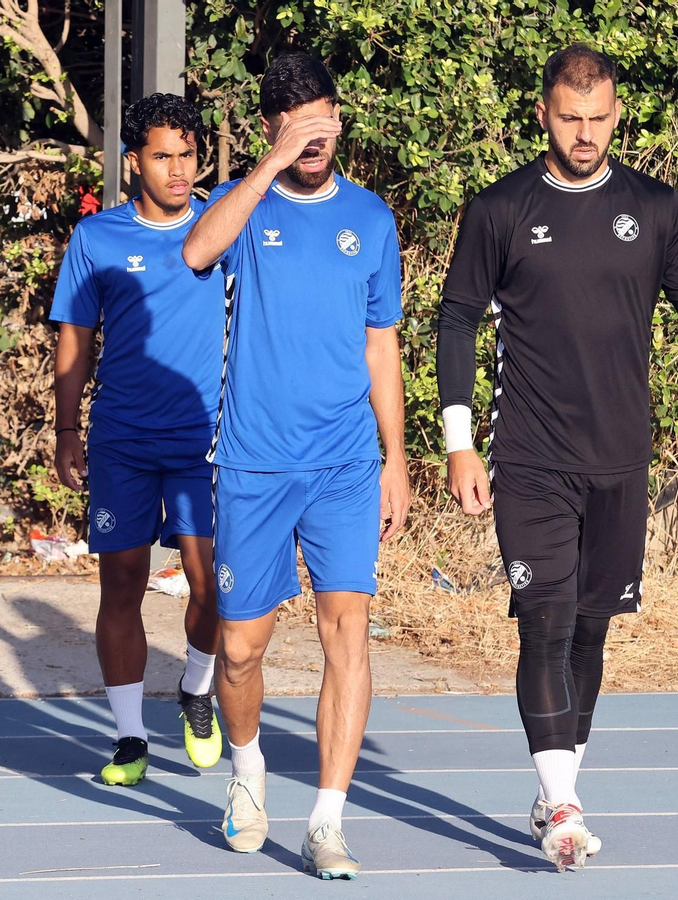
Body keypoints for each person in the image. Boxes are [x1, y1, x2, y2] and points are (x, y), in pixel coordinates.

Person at [436, 45, 678, 871]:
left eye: (598, 119)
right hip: (530, 459)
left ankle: (557, 784)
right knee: (543, 623)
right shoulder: (501, 208)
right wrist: (458, 443)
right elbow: (457, 320)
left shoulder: (655, 208)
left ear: (617, 115)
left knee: (590, 633)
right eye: (569, 118)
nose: (584, 134)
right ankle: (565, 808)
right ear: (543, 115)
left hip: (621, 460)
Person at [181, 51, 411, 881]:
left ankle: (327, 820)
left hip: (347, 461)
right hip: (255, 463)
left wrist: (397, 457)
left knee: (346, 632)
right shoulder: (244, 209)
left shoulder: (371, 220)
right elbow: (197, 252)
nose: (316, 134)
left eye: (326, 116)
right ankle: (247, 777)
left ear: (340, 118)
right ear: (275, 127)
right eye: (298, 121)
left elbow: (380, 345)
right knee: (241, 648)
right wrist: (269, 164)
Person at [50, 93, 226, 787]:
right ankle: (129, 739)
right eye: (163, 156)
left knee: (212, 586)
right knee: (120, 585)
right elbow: (74, 338)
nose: (178, 169)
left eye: (188, 155)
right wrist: (67, 430)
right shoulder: (98, 239)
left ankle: (197, 688)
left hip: (205, 443)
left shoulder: (225, 230)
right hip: (121, 440)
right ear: (134, 162)